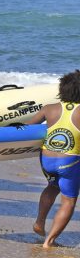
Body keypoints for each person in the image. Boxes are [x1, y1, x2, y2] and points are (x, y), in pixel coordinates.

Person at [28, 70, 80, 248]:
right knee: (69, 201)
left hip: (47, 160)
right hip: (70, 162)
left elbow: (27, 129)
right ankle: (49, 241)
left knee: (52, 186)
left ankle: (39, 222)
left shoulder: (49, 108)